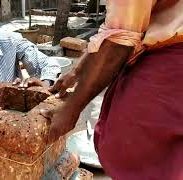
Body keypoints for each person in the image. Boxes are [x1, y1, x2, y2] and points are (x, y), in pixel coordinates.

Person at [42, 0, 183, 179]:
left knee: (136, 151)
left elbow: (118, 43)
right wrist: (76, 72)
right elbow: (114, 31)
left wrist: (71, 110)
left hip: (169, 67)